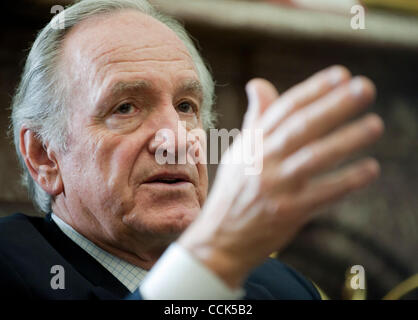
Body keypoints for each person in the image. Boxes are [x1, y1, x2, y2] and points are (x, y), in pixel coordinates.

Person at [1, 0, 383, 299]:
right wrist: (214, 257)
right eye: (125, 107)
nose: (178, 140)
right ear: (44, 156)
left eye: (186, 107)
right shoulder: (12, 267)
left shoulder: (284, 288)